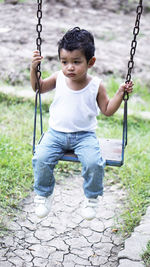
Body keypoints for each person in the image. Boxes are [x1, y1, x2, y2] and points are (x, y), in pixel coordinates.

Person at [30, 27, 133, 220]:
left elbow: (108, 110)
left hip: (84, 136)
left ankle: (92, 198)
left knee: (94, 163)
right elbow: (38, 88)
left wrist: (120, 93)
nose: (69, 67)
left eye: (76, 62)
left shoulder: (96, 85)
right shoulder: (58, 78)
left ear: (90, 62)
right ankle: (44, 194)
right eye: (64, 62)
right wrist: (33, 68)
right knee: (41, 159)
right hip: (55, 134)